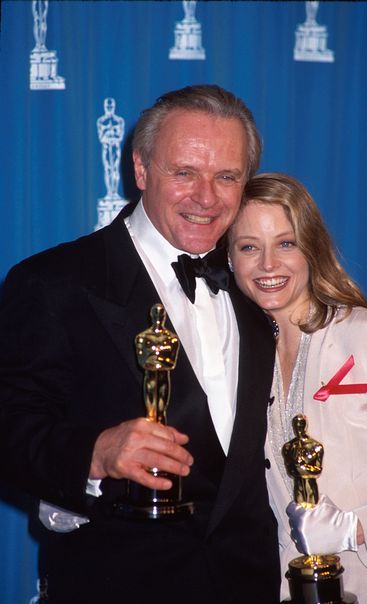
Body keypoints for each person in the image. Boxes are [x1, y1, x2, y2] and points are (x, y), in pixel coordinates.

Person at [0, 86, 280, 603]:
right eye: (184, 173)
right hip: (118, 585)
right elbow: (10, 425)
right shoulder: (54, 281)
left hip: (250, 583)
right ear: (142, 169)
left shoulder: (260, 285)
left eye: (227, 176)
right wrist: (94, 453)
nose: (206, 197)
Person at [228, 172, 367, 604]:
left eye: (286, 243)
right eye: (249, 246)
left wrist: (356, 527)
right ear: (228, 258)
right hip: (283, 587)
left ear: (312, 248)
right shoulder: (233, 361)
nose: (268, 264)